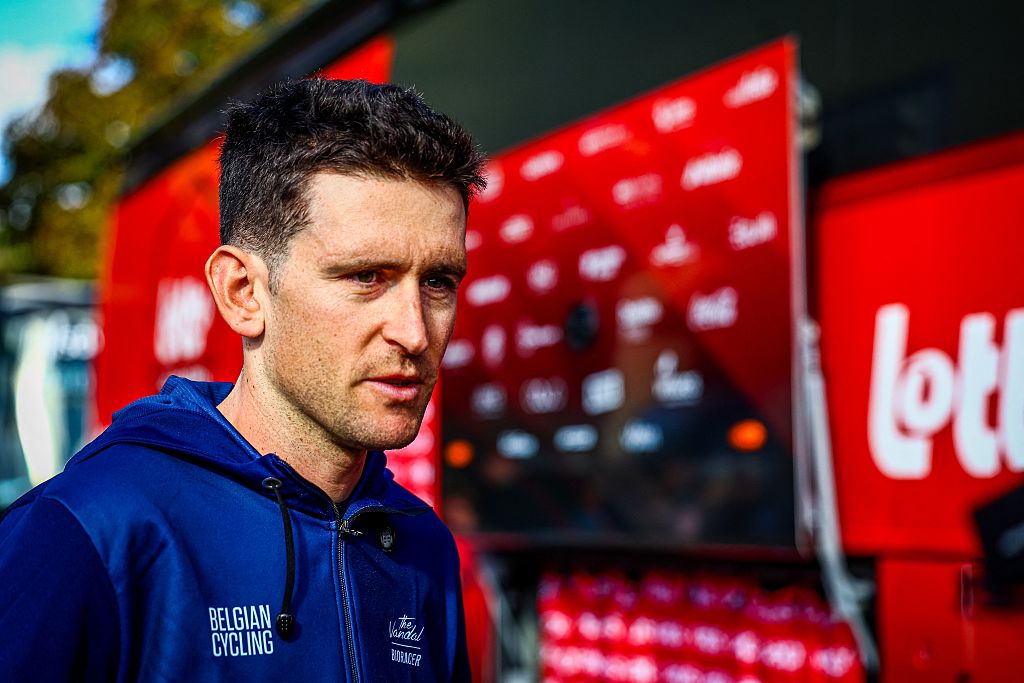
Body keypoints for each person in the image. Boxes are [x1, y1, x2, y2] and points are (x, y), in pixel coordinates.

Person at [0, 78, 486, 681]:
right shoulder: (89, 531)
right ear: (242, 292)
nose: (415, 332)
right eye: (366, 276)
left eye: (439, 281)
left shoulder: (422, 546)